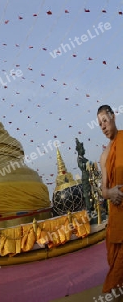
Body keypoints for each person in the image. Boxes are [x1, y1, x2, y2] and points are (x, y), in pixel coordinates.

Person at [98, 105, 123, 297]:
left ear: (113, 117)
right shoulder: (104, 156)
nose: (103, 127)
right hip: (118, 215)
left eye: (105, 121)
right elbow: (103, 190)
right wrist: (110, 193)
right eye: (100, 125)